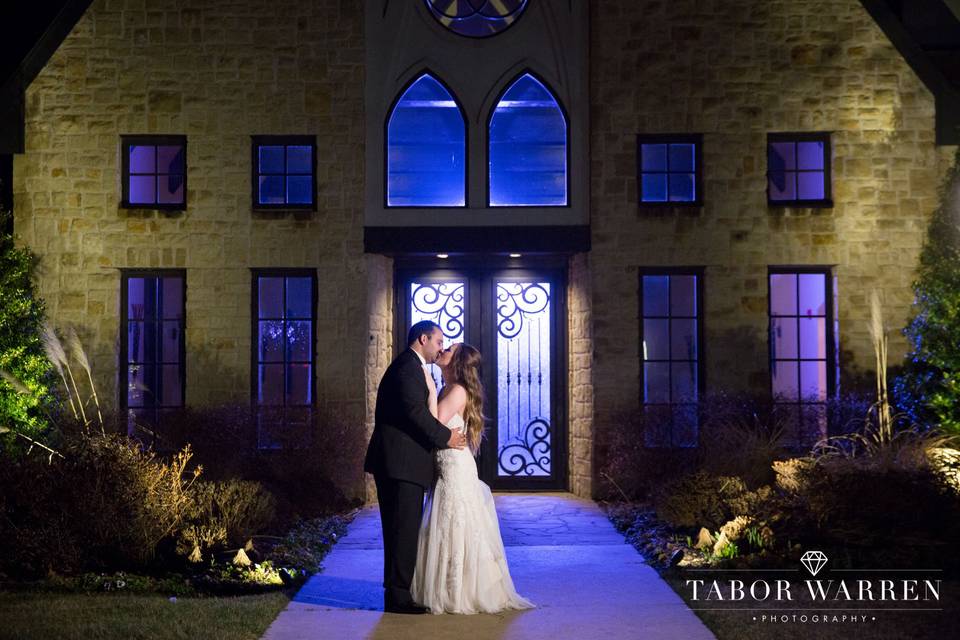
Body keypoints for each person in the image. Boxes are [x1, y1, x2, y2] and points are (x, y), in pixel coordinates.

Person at [411, 342, 536, 615]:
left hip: (455, 467)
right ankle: (446, 585)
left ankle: (457, 591)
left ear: (457, 363)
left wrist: (430, 390)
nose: (442, 351)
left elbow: (436, 422)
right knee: (448, 521)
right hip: (447, 464)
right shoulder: (450, 388)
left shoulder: (455, 391)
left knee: (454, 521)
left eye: (449, 349)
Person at [363, 320, 468, 615]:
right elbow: (414, 414)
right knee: (401, 529)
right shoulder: (407, 368)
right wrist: (446, 436)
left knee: (402, 529)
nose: (440, 348)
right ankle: (398, 597)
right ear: (423, 338)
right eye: (438, 342)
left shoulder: (410, 366)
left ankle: (397, 592)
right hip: (399, 463)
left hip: (402, 463)